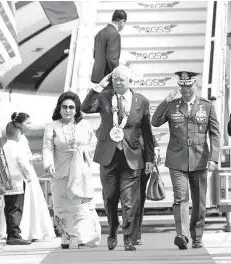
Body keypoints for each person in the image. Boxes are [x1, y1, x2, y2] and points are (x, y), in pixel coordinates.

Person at [81, 65, 154, 251]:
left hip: (133, 156)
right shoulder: (104, 97)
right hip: (108, 155)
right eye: (114, 79)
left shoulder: (141, 101)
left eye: (121, 79)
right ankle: (113, 228)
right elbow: (86, 107)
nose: (117, 82)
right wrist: (99, 86)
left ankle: (128, 238)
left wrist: (149, 159)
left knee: (129, 200)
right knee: (111, 197)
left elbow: (147, 132)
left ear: (130, 81)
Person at [151, 71, 220, 250]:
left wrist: (214, 158)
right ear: (179, 87)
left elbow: (215, 134)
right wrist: (165, 101)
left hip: (200, 159)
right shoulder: (172, 105)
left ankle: (197, 236)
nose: (186, 89)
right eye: (182, 86)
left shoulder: (207, 106)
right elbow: (155, 122)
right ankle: (182, 235)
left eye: (189, 86)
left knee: (199, 201)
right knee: (180, 198)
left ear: (195, 86)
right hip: (177, 159)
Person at [43, 91, 101, 249]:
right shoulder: (52, 126)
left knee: (80, 203)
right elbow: (47, 147)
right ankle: (65, 235)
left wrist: (82, 151)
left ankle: (81, 235)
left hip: (80, 170)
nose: (68, 110)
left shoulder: (85, 125)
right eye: (64, 107)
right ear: (59, 108)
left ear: (76, 110)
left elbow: (93, 144)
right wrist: (48, 164)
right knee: (62, 204)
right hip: (60, 170)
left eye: (71, 107)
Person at [10, 112, 55, 241]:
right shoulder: (19, 138)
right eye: (27, 123)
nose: (30, 126)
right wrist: (33, 158)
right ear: (19, 124)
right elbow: (21, 157)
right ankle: (28, 230)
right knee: (29, 201)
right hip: (26, 173)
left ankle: (30, 230)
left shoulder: (21, 137)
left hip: (28, 171)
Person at [2, 122, 32, 245]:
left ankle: (10, 234)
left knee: (8, 208)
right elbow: (23, 164)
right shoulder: (17, 147)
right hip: (17, 181)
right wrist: (29, 177)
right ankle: (15, 234)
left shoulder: (2, 146)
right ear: (18, 133)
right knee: (16, 208)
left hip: (5, 181)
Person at [136, 135, 161, 245]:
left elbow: (154, 145)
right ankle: (131, 232)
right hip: (124, 168)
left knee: (139, 200)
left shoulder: (143, 125)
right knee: (128, 200)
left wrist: (155, 154)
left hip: (142, 169)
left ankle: (135, 233)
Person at [91, 10, 127, 84]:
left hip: (98, 77)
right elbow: (112, 59)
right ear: (122, 21)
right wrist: (119, 76)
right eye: (125, 23)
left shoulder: (100, 33)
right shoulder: (114, 34)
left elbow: (95, 55)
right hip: (108, 77)